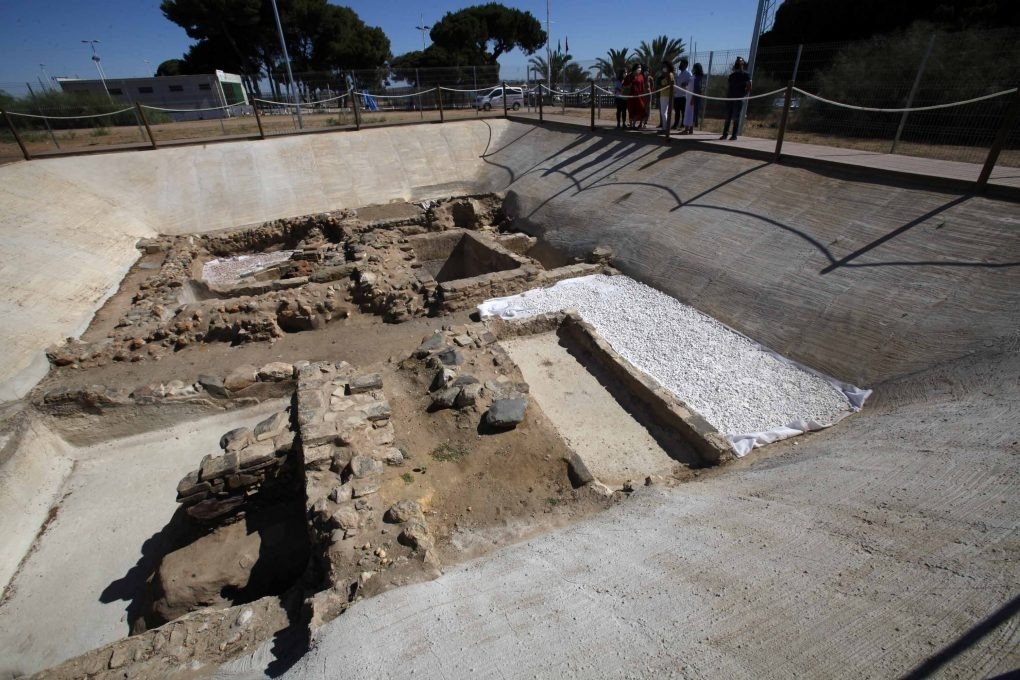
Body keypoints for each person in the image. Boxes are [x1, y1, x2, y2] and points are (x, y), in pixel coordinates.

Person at [721, 57, 752, 140]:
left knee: (736, 117)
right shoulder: (732, 75)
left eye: (740, 63)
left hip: (738, 99)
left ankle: (734, 135)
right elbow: (729, 87)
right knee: (728, 117)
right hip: (730, 98)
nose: (739, 65)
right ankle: (725, 134)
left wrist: (744, 94)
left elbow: (749, 85)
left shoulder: (746, 75)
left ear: (743, 64)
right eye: (737, 63)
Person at [684, 62, 705, 134]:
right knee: (690, 112)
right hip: (689, 96)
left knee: (690, 113)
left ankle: (687, 129)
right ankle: (689, 129)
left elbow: (697, 88)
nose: (693, 69)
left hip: (693, 97)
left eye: (694, 68)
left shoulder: (698, 77)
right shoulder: (694, 76)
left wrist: (693, 98)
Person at [625, 64, 647, 129]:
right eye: (638, 68)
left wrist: (643, 95)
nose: (639, 69)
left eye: (640, 68)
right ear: (635, 69)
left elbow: (642, 87)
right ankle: (631, 124)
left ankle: (634, 124)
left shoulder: (641, 76)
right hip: (631, 96)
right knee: (631, 110)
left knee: (638, 110)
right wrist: (628, 86)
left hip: (639, 97)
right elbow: (624, 85)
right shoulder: (629, 76)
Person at [673, 57, 691, 130]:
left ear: (686, 65)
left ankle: (683, 125)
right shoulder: (680, 73)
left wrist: (686, 83)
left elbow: (690, 82)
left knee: (683, 112)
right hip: (677, 95)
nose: (680, 65)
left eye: (682, 63)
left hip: (683, 96)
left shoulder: (688, 73)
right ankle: (676, 124)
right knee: (677, 111)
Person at [656, 60, 675, 131]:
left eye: (665, 66)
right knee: (664, 112)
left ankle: (666, 127)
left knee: (663, 112)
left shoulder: (669, 74)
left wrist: (661, 87)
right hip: (664, 94)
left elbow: (670, 85)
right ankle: (665, 127)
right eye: (663, 66)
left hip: (665, 95)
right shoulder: (667, 74)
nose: (663, 67)